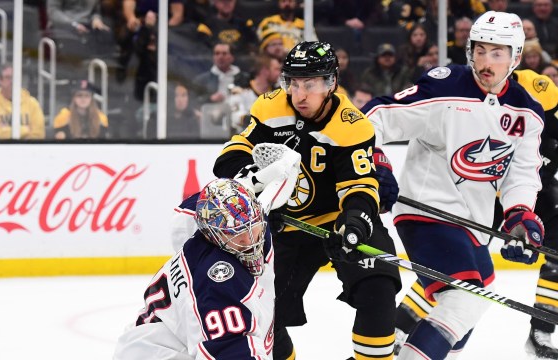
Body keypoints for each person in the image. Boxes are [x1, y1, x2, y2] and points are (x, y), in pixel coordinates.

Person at [362, 11, 546, 360]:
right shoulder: (445, 88)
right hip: (424, 208)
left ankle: (416, 345)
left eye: (497, 53)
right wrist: (376, 163)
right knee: (466, 296)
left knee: (480, 293)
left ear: (516, 57)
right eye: (480, 50)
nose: (485, 61)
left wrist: (520, 215)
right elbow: (376, 118)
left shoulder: (527, 113)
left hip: (472, 222)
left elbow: (521, 174)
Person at [213, 40, 402, 360]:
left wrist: (354, 224)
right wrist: (255, 191)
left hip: (334, 221)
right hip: (286, 226)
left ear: (331, 83)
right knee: (256, 307)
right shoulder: (270, 106)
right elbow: (233, 155)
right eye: (293, 83)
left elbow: (360, 188)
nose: (299, 94)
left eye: (310, 84)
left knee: (378, 288)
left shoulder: (352, 125)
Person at [392, 68, 558, 359]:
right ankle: (402, 323)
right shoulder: (503, 97)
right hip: (479, 185)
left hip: (525, 190)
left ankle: (542, 330)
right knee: (458, 264)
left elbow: (529, 170)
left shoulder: (547, 114)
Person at [113, 178, 276, 359]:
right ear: (213, 235)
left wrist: (247, 182)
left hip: (147, 342)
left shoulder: (201, 225)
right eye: (234, 233)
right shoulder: (219, 282)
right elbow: (230, 350)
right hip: (157, 354)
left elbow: (191, 208)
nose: (248, 241)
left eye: (251, 226)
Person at [0, 63, 45, 140]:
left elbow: (39, 135)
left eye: (15, 78)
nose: (12, 81)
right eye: (8, 77)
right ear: (0, 80)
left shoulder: (33, 103)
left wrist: (6, 130)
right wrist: (26, 129)